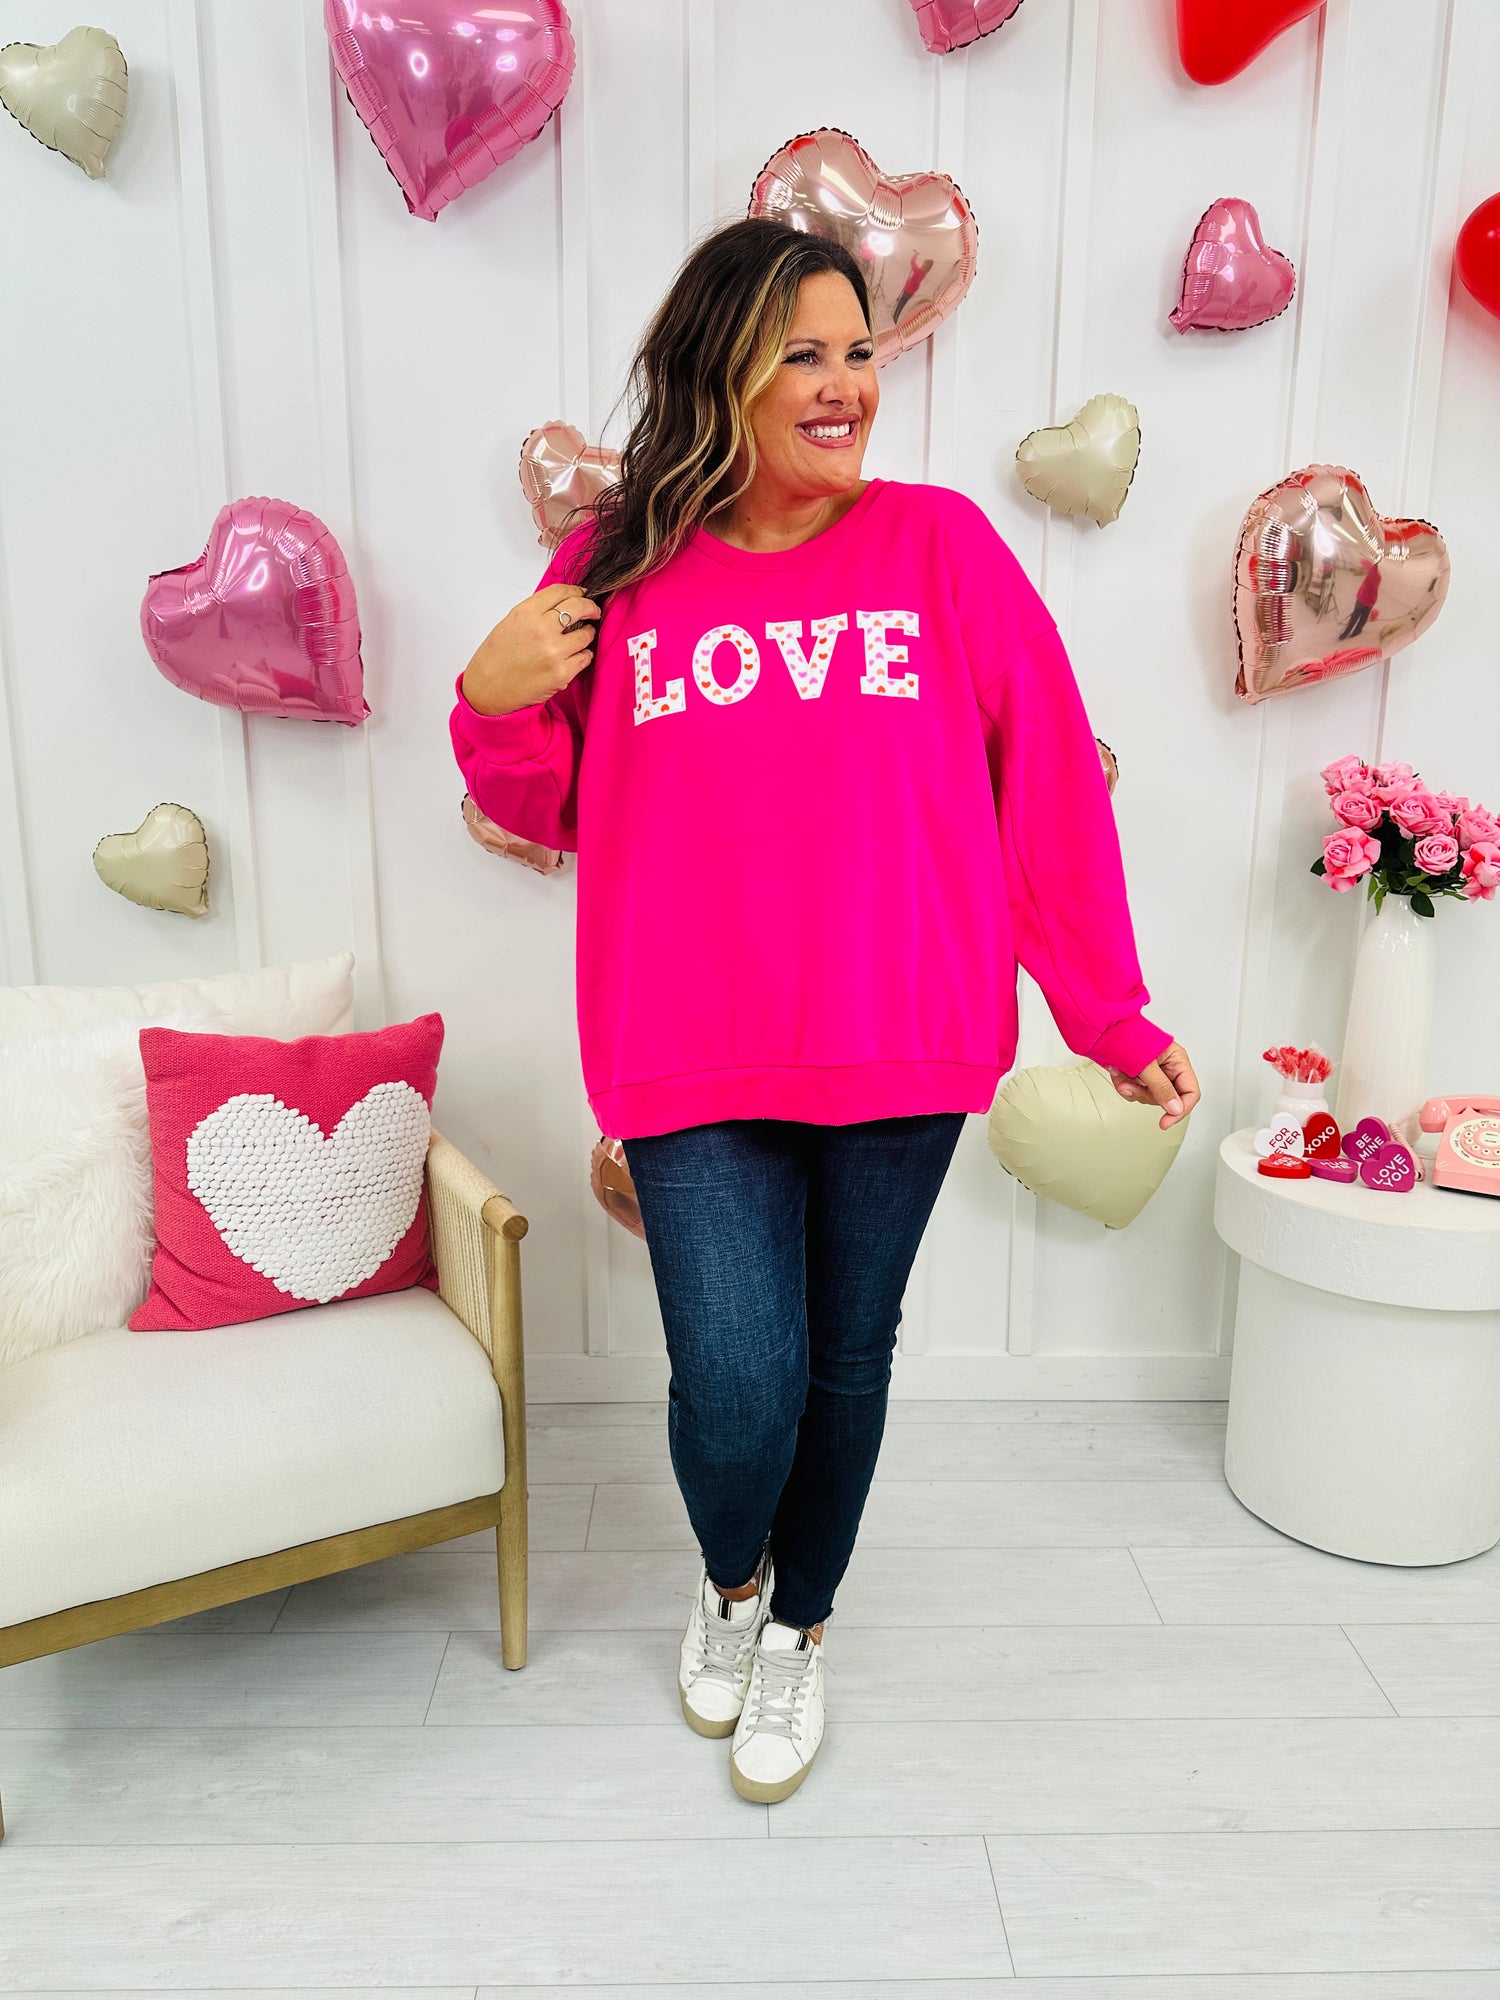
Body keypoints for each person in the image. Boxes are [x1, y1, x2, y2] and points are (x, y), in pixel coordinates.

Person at [451, 218, 1200, 1805]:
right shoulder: (615, 569)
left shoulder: (941, 548)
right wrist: (491, 700)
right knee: (736, 1380)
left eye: (860, 351)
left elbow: (1046, 785)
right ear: (720, 371)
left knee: (847, 1360)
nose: (845, 383)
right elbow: (552, 802)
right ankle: (730, 1585)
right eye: (803, 352)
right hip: (686, 1042)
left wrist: (1108, 1013)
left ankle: (801, 1627)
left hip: (902, 1029)